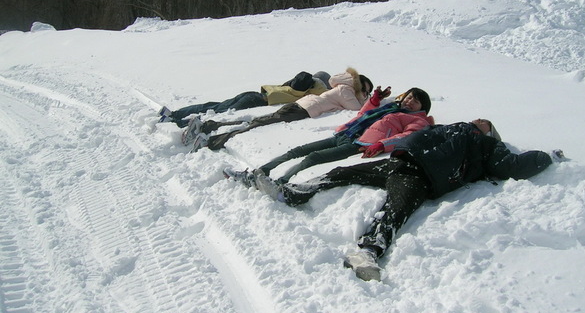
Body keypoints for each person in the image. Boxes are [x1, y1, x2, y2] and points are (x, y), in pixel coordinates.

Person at [231, 119, 559, 281]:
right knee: (344, 171)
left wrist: (549, 156)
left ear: (489, 133)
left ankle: (367, 252)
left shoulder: (484, 147)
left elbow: (514, 166)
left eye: (484, 125)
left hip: (421, 176)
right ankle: (291, 193)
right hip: (399, 161)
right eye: (478, 121)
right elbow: (407, 136)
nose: (477, 123)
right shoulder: (449, 128)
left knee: (396, 209)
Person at [223, 86, 434, 186]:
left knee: (313, 158)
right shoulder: (390, 108)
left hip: (357, 144)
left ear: (421, 108)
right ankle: (260, 172)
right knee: (296, 151)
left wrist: (381, 144)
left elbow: (405, 137)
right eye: (409, 97)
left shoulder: (418, 121)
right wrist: (375, 100)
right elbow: (362, 115)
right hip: (345, 133)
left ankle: (280, 182)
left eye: (415, 102)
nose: (409, 102)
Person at [189, 68, 374, 152]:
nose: (365, 94)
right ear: (357, 85)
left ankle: (210, 126)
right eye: (365, 90)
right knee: (256, 125)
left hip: (301, 106)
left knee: (258, 122)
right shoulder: (345, 90)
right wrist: (374, 100)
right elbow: (357, 109)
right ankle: (210, 141)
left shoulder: (341, 89)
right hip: (302, 109)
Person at [158, 71, 332, 128]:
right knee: (219, 112)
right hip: (255, 102)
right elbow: (326, 97)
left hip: (253, 95)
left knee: (214, 106)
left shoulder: (296, 82)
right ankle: (178, 122)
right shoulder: (314, 90)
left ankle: (174, 115)